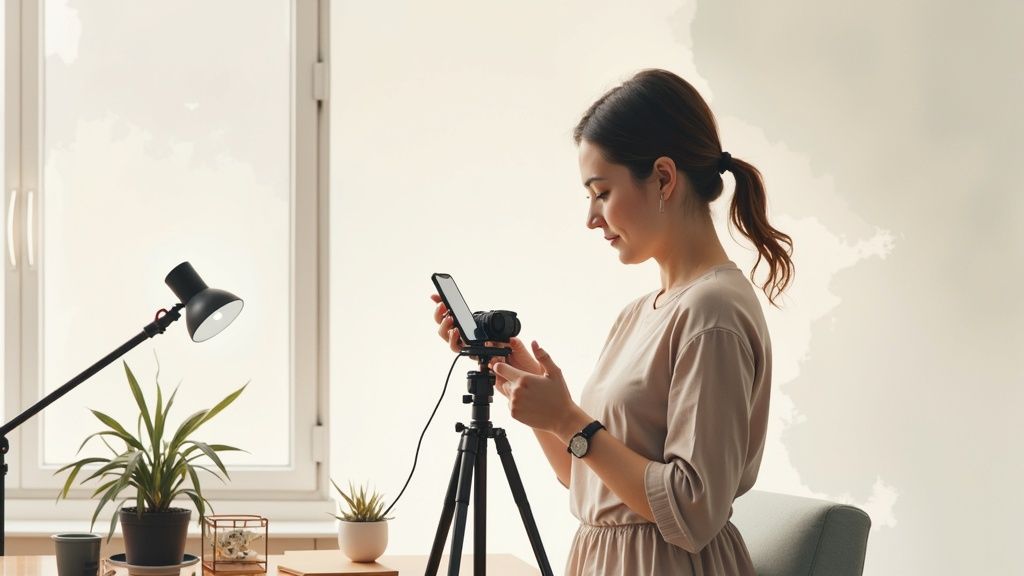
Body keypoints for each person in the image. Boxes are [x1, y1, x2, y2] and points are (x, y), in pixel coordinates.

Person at [431, 68, 794, 576]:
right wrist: (522, 381)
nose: (591, 217)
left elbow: (694, 512)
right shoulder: (639, 314)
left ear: (664, 178)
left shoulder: (713, 312)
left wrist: (567, 418)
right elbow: (585, 480)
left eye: (601, 192)